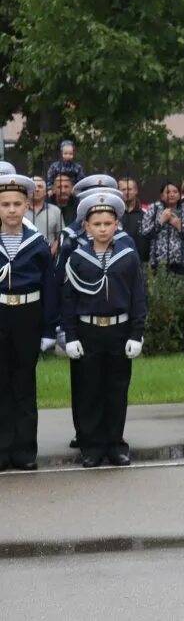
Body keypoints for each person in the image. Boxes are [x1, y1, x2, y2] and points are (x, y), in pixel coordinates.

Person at [62, 191, 147, 468]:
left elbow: (137, 296)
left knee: (116, 388)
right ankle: (92, 446)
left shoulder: (128, 256)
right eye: (96, 224)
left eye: (107, 223)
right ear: (86, 226)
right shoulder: (76, 258)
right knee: (89, 390)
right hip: (88, 331)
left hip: (119, 330)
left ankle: (116, 444)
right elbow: (69, 299)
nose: (102, 229)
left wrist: (137, 333)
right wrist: (70, 335)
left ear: (116, 225)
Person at [0, 172, 58, 471]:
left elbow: (49, 288)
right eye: (5, 204)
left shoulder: (37, 245)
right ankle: (2, 448)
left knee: (24, 383)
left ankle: (24, 450)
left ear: (27, 206)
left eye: (17, 204)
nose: (11, 210)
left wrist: (49, 329)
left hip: (27, 316)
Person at [140, 182, 184, 275]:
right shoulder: (154, 210)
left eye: (175, 192)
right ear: (162, 196)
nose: (172, 194)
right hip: (157, 264)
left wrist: (180, 227)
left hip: (179, 264)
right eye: (168, 192)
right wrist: (160, 222)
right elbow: (144, 233)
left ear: (180, 195)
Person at [25, 176, 63, 256]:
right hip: (23, 257)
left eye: (40, 186)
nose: (37, 189)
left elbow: (60, 236)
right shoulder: (20, 210)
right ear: (28, 191)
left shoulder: (55, 210)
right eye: (34, 186)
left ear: (45, 192)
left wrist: (50, 254)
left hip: (49, 258)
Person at [117, 177, 149, 264]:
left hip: (142, 263)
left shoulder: (147, 212)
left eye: (129, 189)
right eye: (123, 189)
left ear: (136, 191)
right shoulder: (114, 213)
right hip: (118, 261)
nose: (126, 192)